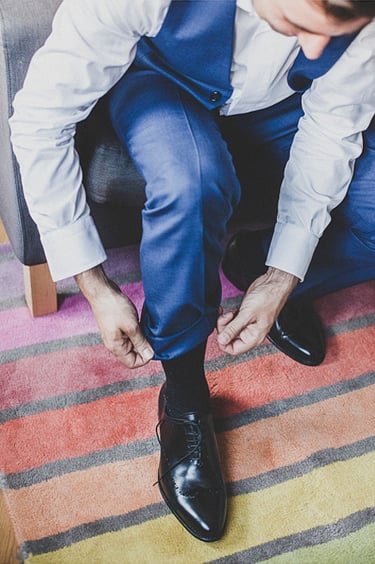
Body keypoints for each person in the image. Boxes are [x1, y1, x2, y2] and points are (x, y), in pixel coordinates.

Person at [9, 0, 375, 543]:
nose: (316, 47)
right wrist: (93, 281)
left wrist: (283, 272)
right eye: (304, 24)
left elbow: (334, 126)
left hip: (289, 104)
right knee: (191, 184)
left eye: (335, 33)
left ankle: (254, 267)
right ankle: (183, 395)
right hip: (164, 82)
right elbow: (39, 121)